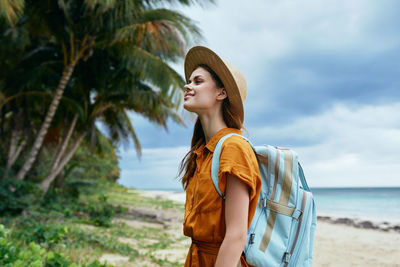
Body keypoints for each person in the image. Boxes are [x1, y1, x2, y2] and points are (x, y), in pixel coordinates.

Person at [179, 46, 262, 267]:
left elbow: (236, 235)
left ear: (221, 93)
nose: (187, 86)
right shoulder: (203, 152)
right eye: (189, 81)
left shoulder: (233, 148)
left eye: (198, 81)